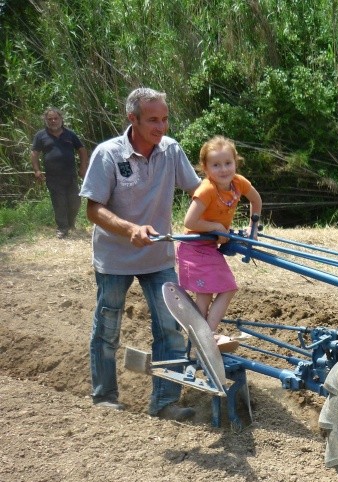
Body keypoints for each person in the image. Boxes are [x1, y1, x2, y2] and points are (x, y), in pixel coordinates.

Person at [80, 87, 202, 421]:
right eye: (153, 120)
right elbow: (93, 209)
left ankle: (164, 402)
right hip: (115, 258)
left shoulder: (171, 151)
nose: (161, 126)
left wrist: (225, 196)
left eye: (164, 119)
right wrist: (129, 229)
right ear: (132, 119)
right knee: (107, 327)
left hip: (158, 257)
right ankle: (105, 396)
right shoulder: (108, 155)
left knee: (170, 327)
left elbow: (198, 191)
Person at [176, 136, 262, 350]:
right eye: (216, 165)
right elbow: (190, 221)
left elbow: (256, 200)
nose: (223, 169)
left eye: (228, 163)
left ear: (235, 162)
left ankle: (202, 338)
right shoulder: (207, 190)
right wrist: (216, 228)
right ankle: (205, 338)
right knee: (215, 292)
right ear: (205, 168)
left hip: (209, 247)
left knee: (221, 290)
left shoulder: (238, 183)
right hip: (194, 248)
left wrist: (253, 227)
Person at [31, 107, 89, 238]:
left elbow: (82, 150)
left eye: (56, 118)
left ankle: (70, 223)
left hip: (71, 176)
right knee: (59, 203)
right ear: (46, 120)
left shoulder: (70, 134)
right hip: (53, 177)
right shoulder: (41, 136)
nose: (53, 121)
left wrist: (83, 167)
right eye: (50, 119)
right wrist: (37, 170)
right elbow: (34, 154)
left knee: (75, 201)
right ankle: (62, 228)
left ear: (61, 119)